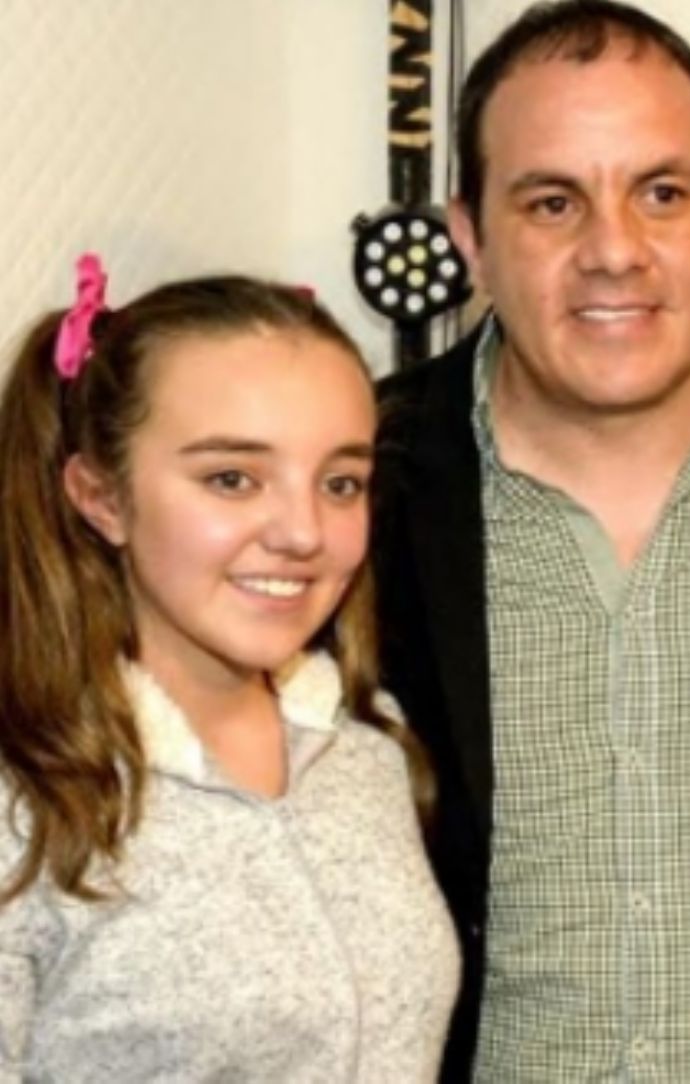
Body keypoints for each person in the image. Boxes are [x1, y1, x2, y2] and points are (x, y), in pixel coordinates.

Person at [373, 1, 690, 1080]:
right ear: (470, 237)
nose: (614, 252)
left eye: (662, 193)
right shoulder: (352, 491)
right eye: (553, 202)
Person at [0, 255, 459, 1082]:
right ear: (101, 496)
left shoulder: (367, 746)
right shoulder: (23, 803)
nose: (303, 533)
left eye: (340, 483)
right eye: (233, 479)